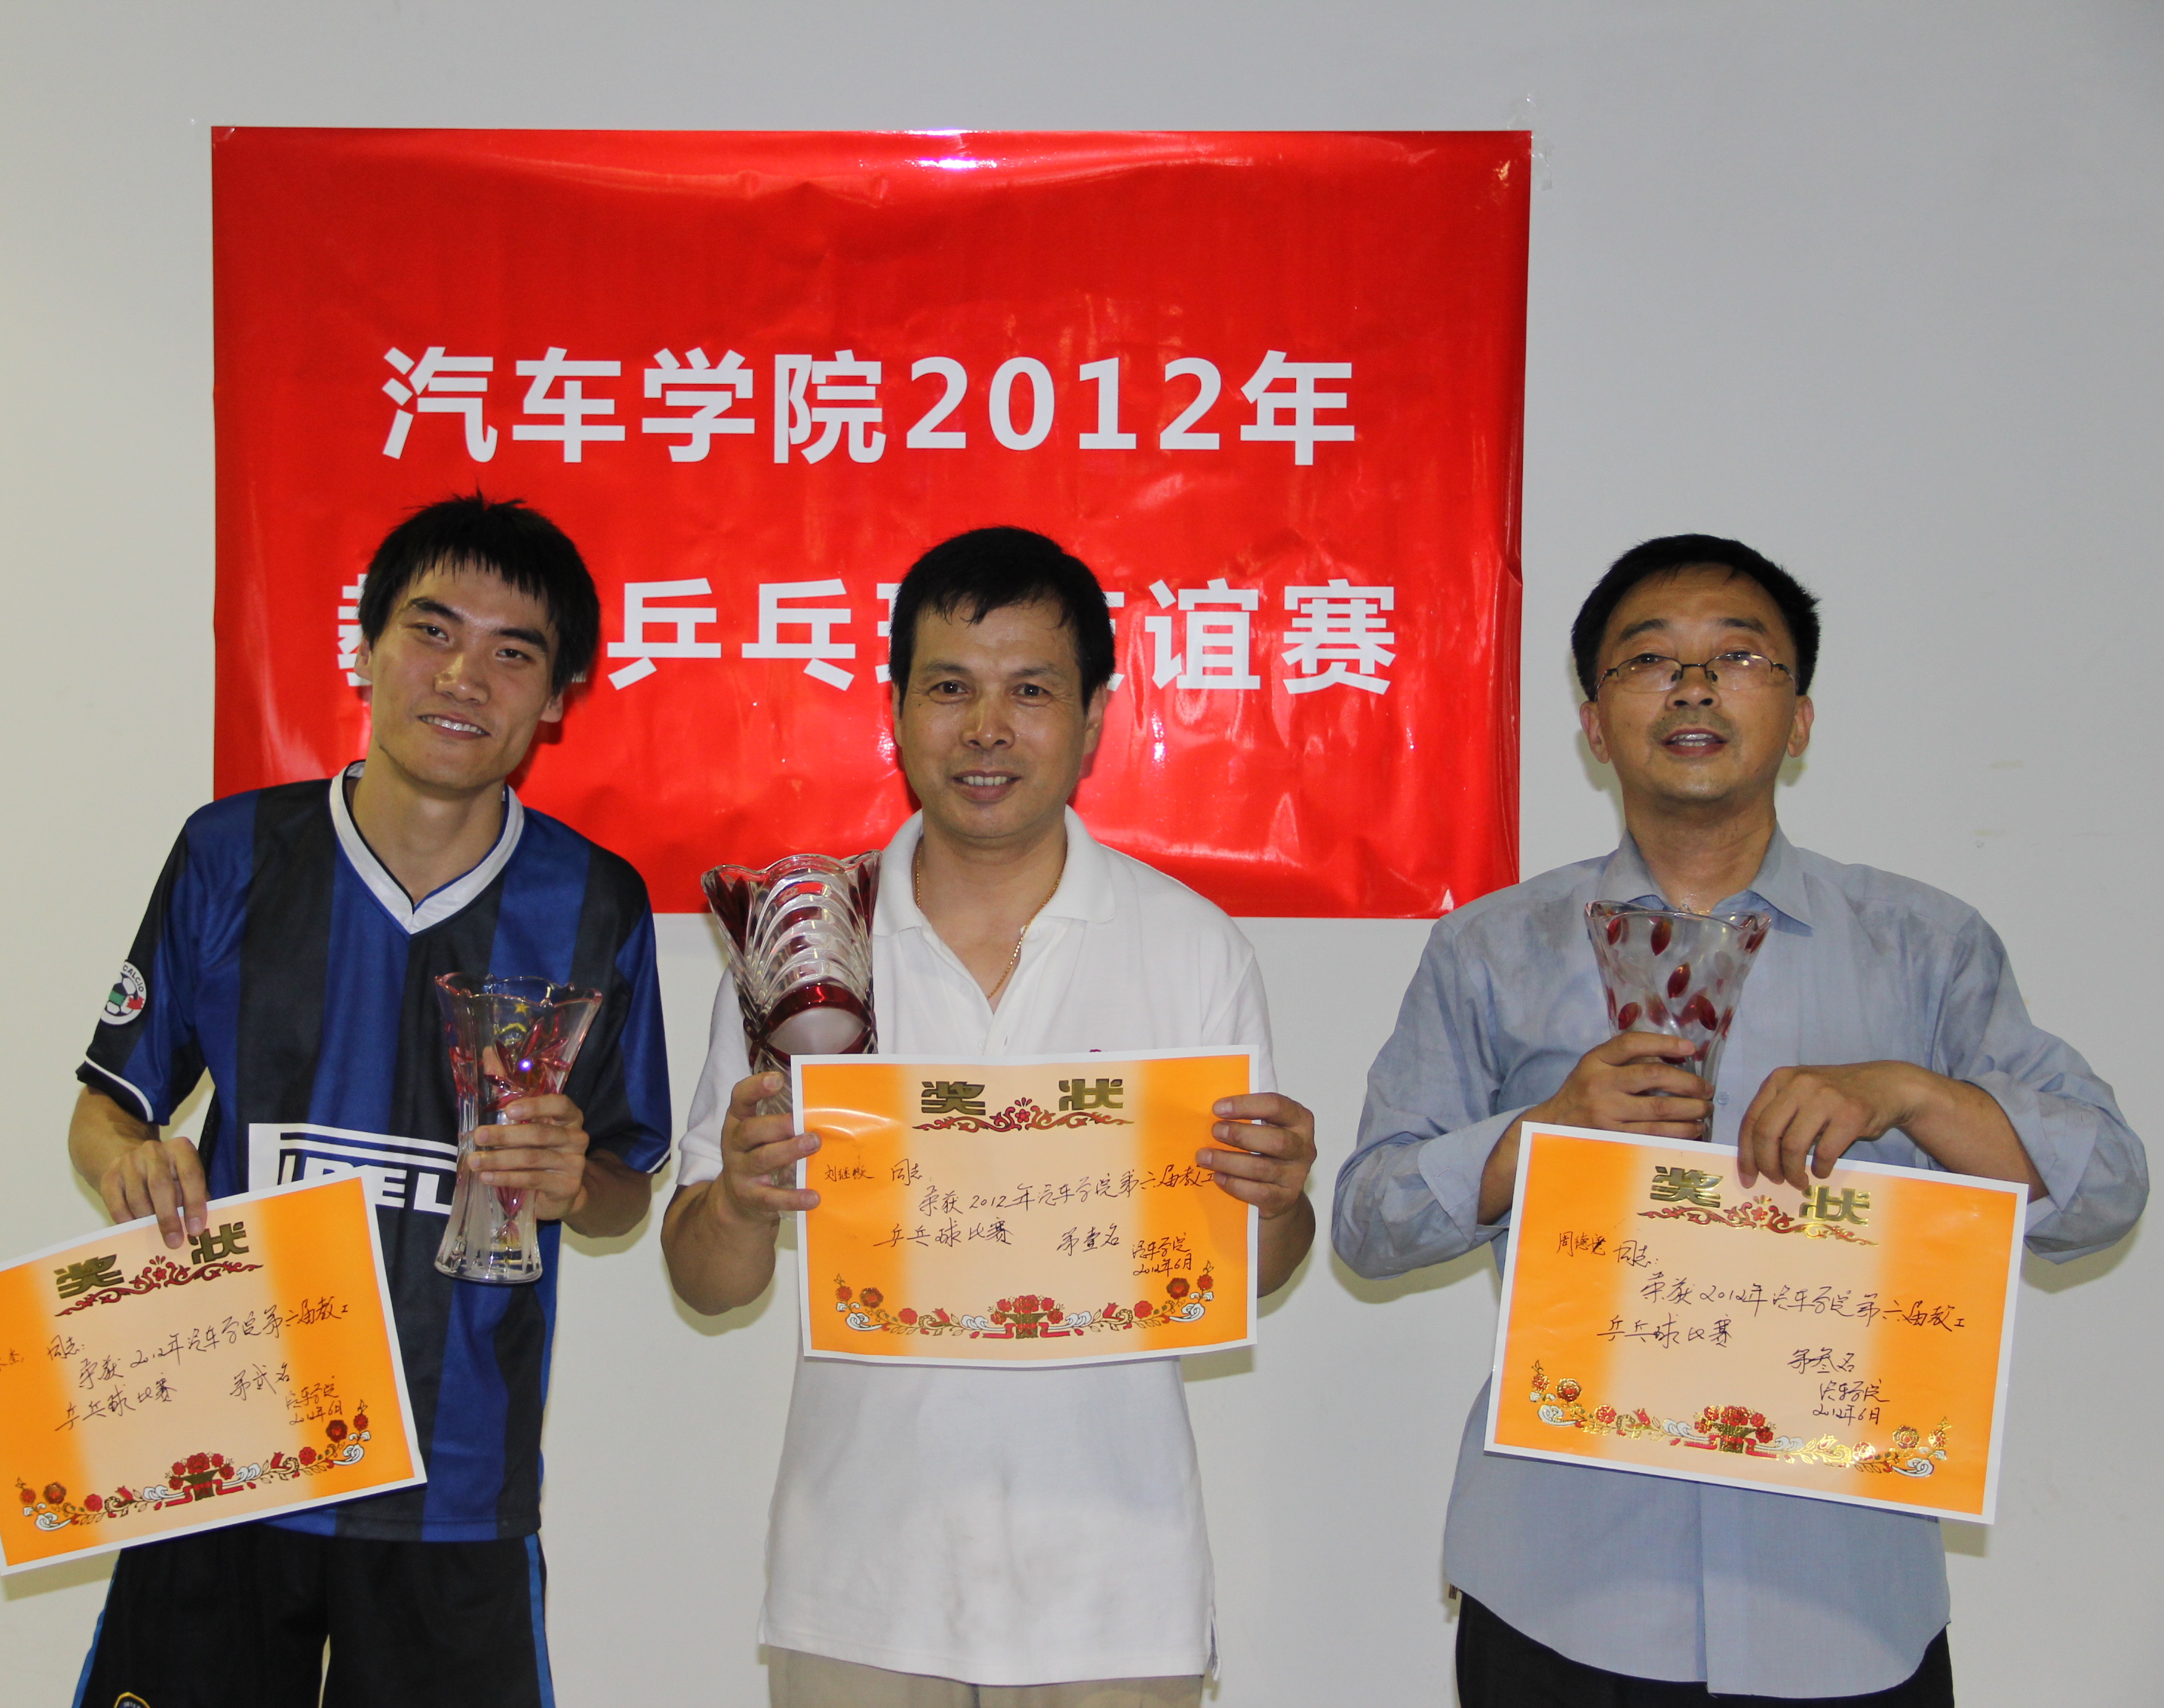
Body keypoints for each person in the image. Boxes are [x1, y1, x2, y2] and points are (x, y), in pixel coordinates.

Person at [1332, 534, 2146, 1705]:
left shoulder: (1923, 945)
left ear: (1800, 720)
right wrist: (1543, 1133)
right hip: (1566, 1581)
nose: (1694, 687)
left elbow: (2106, 1188)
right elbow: (1368, 1220)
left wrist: (1912, 1094)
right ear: (1593, 723)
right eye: (1648, 660)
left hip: (1844, 1593)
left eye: (1739, 657)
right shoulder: (1490, 948)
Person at [662, 526, 1320, 1707]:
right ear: (895, 708)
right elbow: (706, 1282)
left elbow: (1255, 1267)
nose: (986, 729)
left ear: (1096, 716)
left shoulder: (1190, 946)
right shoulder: (804, 949)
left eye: (1031, 691)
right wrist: (742, 1201)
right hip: (861, 1583)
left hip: (1115, 1591)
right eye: (950, 688)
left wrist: (1277, 1200)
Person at [65, 494, 672, 1708]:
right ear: (366, 647)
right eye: (431, 631)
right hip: (226, 1449)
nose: (464, 677)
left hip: (457, 1486)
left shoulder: (594, 901)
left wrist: (577, 1182)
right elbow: (102, 1113)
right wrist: (131, 1157)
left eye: (513, 653)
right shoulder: (233, 853)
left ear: (558, 699)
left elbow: (621, 1190)